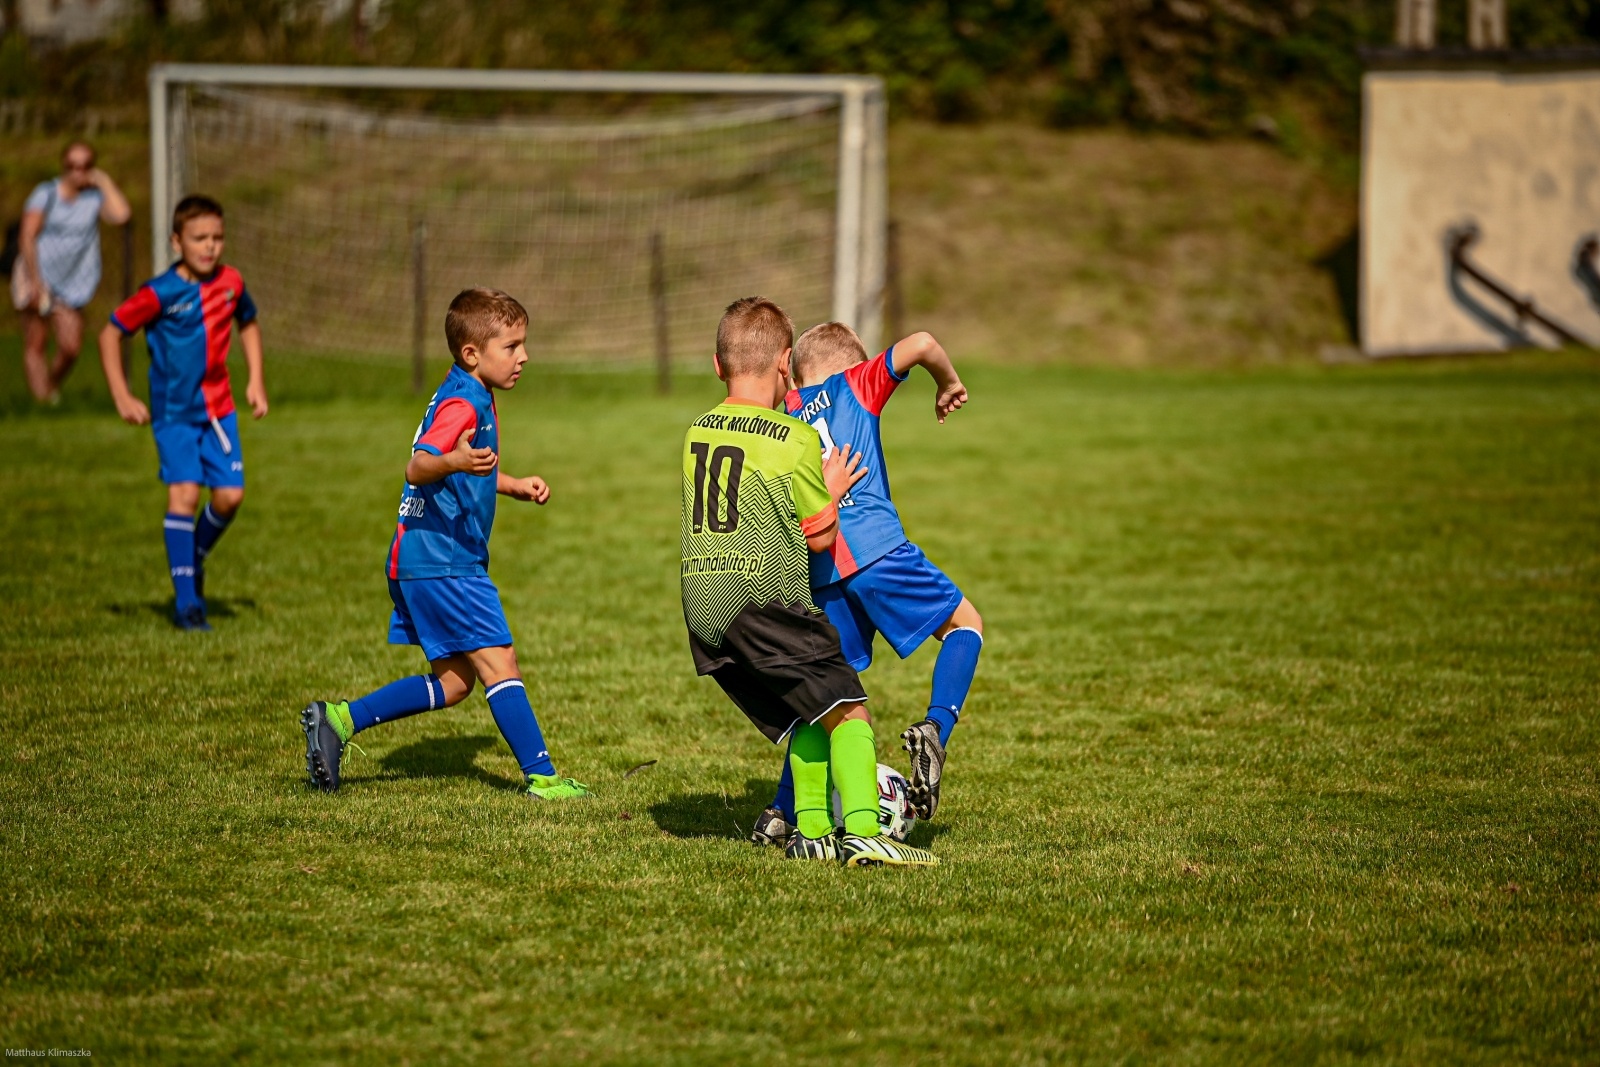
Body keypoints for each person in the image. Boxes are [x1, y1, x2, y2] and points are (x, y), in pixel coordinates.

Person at [299, 287, 590, 801]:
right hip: (445, 561)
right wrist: (454, 461)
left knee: (455, 683)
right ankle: (543, 777)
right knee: (501, 662)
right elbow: (420, 464)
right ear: (472, 353)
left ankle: (339, 721)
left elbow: (462, 469)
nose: (524, 356)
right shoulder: (462, 402)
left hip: (420, 556)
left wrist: (512, 483)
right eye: (512, 346)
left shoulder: (467, 389)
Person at [682, 296, 938, 867]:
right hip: (764, 597)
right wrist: (833, 486)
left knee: (808, 711)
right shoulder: (792, 440)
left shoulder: (697, 431)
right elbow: (820, 538)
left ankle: (812, 835)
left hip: (703, 605)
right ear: (783, 366)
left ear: (718, 366)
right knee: (849, 708)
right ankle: (866, 833)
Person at [749, 322, 980, 849]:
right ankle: (934, 733)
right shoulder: (858, 384)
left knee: (825, 697)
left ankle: (782, 812)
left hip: (821, 568)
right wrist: (947, 383)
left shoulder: (780, 419)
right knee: (967, 623)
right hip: (879, 552)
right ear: (851, 365)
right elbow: (923, 341)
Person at [99, 195, 267, 632]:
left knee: (230, 497)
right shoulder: (160, 293)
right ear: (177, 241)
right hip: (174, 413)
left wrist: (255, 379)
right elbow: (110, 333)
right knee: (185, 497)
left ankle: (190, 558)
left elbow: (247, 321)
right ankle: (188, 604)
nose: (210, 246)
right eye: (199, 238)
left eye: (217, 237)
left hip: (219, 410)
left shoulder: (231, 281)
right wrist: (122, 394)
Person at [15, 140, 131, 403]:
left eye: (86, 166)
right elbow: (27, 237)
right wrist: (35, 281)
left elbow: (122, 215)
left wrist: (103, 181)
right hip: (38, 275)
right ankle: (42, 403)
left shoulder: (94, 198)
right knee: (36, 342)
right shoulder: (46, 194)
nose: (78, 171)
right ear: (63, 166)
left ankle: (48, 388)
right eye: (72, 166)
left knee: (71, 346)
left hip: (73, 284)